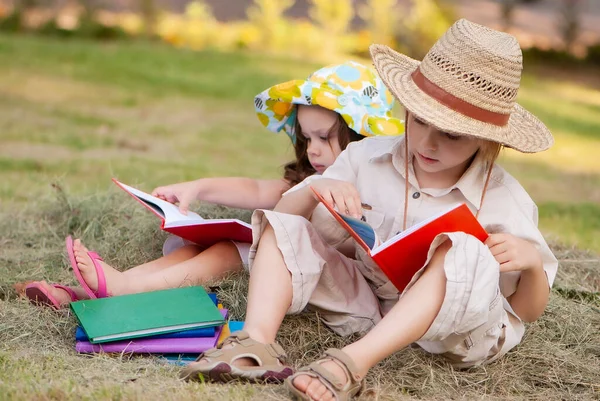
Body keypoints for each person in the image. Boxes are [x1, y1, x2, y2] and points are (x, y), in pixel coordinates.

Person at [179, 19, 558, 401]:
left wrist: (529, 264)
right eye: (419, 119)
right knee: (287, 222)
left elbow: (525, 311)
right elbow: (283, 216)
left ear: (488, 141)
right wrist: (316, 188)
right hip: (367, 302)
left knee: (462, 248)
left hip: (456, 335)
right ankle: (256, 343)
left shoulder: (506, 199)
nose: (427, 142)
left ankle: (348, 365)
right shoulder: (368, 156)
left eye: (452, 134)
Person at [17, 61, 404, 310]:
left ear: (360, 136)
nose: (314, 150)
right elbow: (254, 190)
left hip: (328, 285)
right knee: (218, 245)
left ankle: (118, 291)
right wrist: (197, 187)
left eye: (325, 137)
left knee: (235, 251)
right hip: (285, 265)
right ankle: (109, 289)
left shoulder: (368, 189)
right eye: (306, 139)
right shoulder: (311, 179)